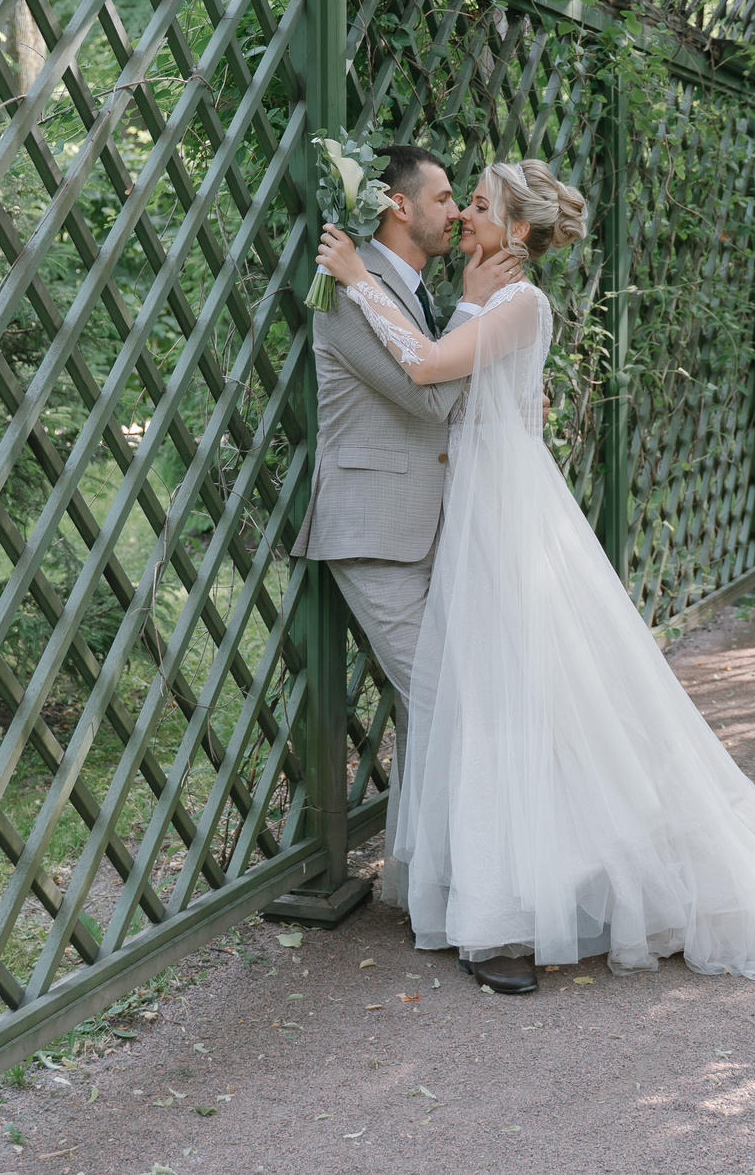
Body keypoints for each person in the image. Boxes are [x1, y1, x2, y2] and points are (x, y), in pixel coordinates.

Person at [313, 158, 755, 992]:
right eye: (457, 200)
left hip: (501, 514)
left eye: (479, 202)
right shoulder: (489, 297)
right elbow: (472, 390)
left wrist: (360, 278)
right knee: (495, 698)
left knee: (504, 702)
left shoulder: (517, 300)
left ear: (520, 228)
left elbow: (432, 371)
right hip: (478, 515)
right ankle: (509, 884)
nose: (465, 212)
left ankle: (512, 902)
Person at [287, 145, 527, 989]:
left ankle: (433, 886)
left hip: (438, 529)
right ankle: (483, 922)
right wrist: (473, 308)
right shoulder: (347, 290)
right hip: (376, 532)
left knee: (450, 705)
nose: (457, 211)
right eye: (445, 196)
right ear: (396, 204)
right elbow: (432, 395)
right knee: (450, 704)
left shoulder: (410, 287)